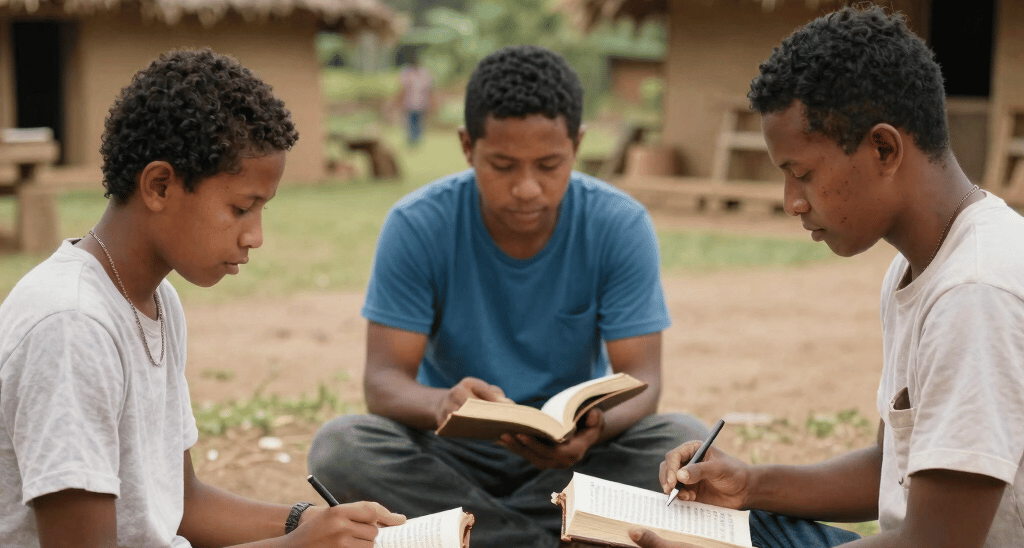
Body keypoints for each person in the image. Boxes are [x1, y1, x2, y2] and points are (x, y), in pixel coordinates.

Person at [630, 5, 1024, 548]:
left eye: (802, 174)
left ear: (884, 148)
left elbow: (938, 541)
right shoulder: (917, 267)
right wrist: (751, 483)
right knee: (687, 520)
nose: (792, 202)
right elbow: (892, 469)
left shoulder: (976, 291)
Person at [0, 48, 406, 547]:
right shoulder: (71, 324)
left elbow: (182, 502)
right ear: (159, 185)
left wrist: (307, 523)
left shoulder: (155, 300)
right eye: (241, 208)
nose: (255, 236)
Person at [308, 44, 709, 548]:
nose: (526, 188)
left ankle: (472, 535)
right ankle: (552, 536)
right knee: (342, 448)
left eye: (548, 165)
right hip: (451, 453)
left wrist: (597, 427)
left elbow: (646, 379)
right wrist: (440, 405)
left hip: (574, 457)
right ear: (466, 146)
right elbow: (384, 381)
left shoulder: (617, 224)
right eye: (502, 165)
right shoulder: (418, 224)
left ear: (578, 146)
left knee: (681, 439)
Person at [398, 51, 433, 146]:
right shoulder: (406, 73)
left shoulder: (424, 73)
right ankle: (412, 141)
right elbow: (403, 89)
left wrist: (431, 102)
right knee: (410, 123)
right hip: (409, 103)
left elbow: (429, 90)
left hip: (421, 103)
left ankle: (416, 141)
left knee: (419, 123)